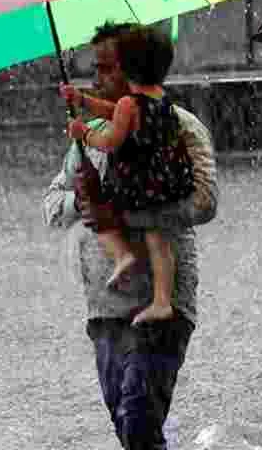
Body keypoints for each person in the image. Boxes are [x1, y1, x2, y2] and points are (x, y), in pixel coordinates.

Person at [42, 21, 217, 449]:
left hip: (162, 300)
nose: (97, 79)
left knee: (138, 417)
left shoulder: (178, 126)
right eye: (94, 69)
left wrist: (127, 213)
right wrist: (81, 202)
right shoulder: (89, 137)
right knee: (127, 421)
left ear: (134, 69)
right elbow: (52, 203)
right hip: (105, 304)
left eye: (107, 68)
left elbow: (205, 202)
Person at [62, 25, 196, 327]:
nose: (99, 76)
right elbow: (114, 111)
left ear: (127, 67)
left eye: (112, 65)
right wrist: (83, 100)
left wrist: (84, 133)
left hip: (138, 190)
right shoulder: (161, 99)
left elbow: (111, 139)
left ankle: (124, 258)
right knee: (159, 241)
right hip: (164, 186)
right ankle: (162, 299)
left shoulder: (128, 105)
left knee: (101, 213)